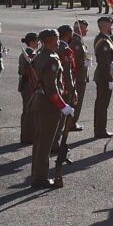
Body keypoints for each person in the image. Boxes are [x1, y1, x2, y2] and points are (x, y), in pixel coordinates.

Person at [28, 28, 72, 189]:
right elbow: (52, 88)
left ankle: (37, 175)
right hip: (48, 106)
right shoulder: (52, 59)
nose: (59, 41)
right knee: (45, 143)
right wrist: (63, 106)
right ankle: (40, 178)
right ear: (48, 41)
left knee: (39, 142)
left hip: (39, 102)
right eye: (56, 38)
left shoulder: (40, 55)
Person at [91, 15, 113, 138]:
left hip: (102, 75)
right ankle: (100, 130)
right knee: (102, 104)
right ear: (106, 26)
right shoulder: (103, 43)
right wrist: (109, 79)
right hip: (104, 76)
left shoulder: (102, 38)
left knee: (100, 103)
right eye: (110, 25)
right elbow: (104, 63)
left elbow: (111, 43)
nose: (112, 27)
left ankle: (99, 128)